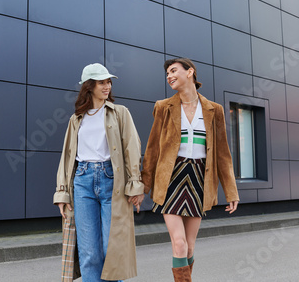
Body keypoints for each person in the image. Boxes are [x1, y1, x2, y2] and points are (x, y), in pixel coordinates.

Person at [141, 58, 240, 282]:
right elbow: (153, 148)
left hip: (198, 178)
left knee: (190, 245)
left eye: (174, 71)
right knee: (179, 242)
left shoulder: (215, 110)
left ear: (190, 72)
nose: (169, 76)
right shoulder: (163, 107)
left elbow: (223, 155)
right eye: (167, 73)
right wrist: (143, 186)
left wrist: (231, 192)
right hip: (172, 178)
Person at [54, 63, 145, 282]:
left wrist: (135, 185)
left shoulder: (119, 112)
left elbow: (132, 148)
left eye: (108, 82)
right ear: (89, 86)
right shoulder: (76, 119)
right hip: (82, 181)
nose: (107, 86)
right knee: (89, 252)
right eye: (101, 82)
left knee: (111, 249)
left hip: (111, 181)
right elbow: (67, 158)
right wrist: (62, 193)